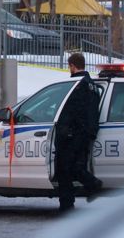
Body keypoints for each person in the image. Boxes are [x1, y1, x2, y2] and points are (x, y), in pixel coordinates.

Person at [53, 52, 103, 212]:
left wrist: (63, 131)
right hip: (87, 132)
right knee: (76, 167)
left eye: (69, 67)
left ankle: (68, 205)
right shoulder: (93, 85)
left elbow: (70, 111)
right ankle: (91, 186)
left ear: (72, 66)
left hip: (73, 134)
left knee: (63, 169)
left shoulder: (75, 85)